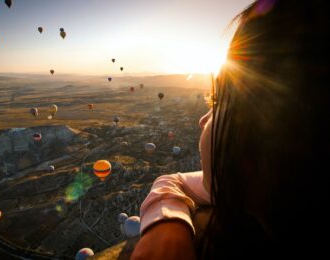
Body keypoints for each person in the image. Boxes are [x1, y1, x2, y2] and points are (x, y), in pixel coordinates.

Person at [131, 0, 330, 259]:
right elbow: (174, 181)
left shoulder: (262, 186)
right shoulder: (266, 189)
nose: (203, 120)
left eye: (219, 102)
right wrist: (167, 227)